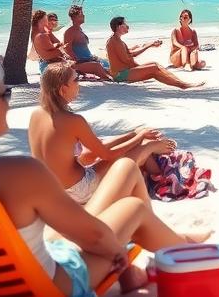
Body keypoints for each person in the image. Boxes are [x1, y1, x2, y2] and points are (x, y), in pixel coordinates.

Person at [0, 59, 207, 297]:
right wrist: (119, 251)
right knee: (133, 208)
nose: (8, 102)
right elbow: (95, 237)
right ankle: (187, 252)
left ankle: (153, 259)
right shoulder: (18, 173)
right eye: (4, 94)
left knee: (70, 227)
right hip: (38, 294)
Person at [29, 62, 178, 204]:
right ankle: (161, 176)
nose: (79, 84)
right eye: (76, 79)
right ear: (63, 89)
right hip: (78, 191)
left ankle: (152, 168)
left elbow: (91, 152)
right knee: (144, 147)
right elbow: (108, 155)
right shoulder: (73, 120)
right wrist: (141, 138)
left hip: (51, 190)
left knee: (102, 152)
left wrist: (133, 134)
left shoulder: (37, 115)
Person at [106, 17, 204, 90]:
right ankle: (183, 85)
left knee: (155, 65)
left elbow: (129, 53)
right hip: (120, 75)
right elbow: (128, 58)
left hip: (124, 71)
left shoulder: (117, 40)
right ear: (119, 27)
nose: (127, 26)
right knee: (154, 68)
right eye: (125, 24)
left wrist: (149, 45)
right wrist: (148, 46)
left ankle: (182, 83)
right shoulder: (114, 41)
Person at [33, 9, 109, 81]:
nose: (54, 22)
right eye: (50, 20)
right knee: (98, 66)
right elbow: (57, 49)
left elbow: (60, 47)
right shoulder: (43, 35)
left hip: (58, 62)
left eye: (55, 20)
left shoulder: (48, 33)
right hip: (51, 64)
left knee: (103, 66)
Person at [62, 4, 110, 73]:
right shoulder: (70, 32)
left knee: (109, 63)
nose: (84, 16)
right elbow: (67, 49)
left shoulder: (79, 29)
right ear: (74, 17)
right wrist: (77, 62)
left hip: (89, 59)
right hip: (81, 62)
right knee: (103, 68)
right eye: (81, 14)